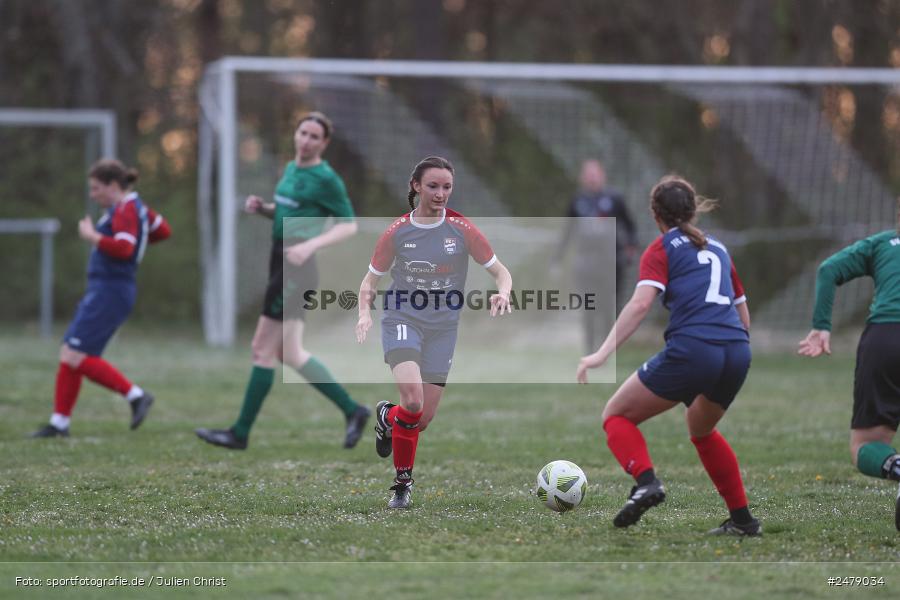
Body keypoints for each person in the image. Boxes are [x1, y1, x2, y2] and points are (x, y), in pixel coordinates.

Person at [576, 175, 760, 536]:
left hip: (695, 349)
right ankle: (743, 521)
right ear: (692, 211)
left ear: (655, 214)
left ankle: (646, 482)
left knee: (616, 415)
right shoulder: (719, 248)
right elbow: (744, 316)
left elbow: (641, 302)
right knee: (701, 429)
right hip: (737, 350)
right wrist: (725, 350)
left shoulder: (662, 248)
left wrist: (600, 353)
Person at [195, 111, 370, 450]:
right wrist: (264, 208)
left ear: (324, 143)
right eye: (302, 133)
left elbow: (349, 225)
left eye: (313, 136)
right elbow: (289, 211)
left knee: (262, 348)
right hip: (281, 261)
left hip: (297, 269)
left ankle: (240, 433)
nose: (305, 140)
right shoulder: (291, 168)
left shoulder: (326, 178)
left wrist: (310, 245)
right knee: (289, 353)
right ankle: (354, 411)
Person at [356, 156, 512, 509]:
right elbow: (370, 281)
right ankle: (402, 484)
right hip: (402, 319)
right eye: (433, 186)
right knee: (412, 401)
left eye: (446, 187)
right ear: (416, 186)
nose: (440, 194)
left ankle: (385, 416)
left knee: (420, 419)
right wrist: (364, 312)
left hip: (443, 329)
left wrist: (503, 291)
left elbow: (501, 271)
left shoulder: (462, 229)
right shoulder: (397, 231)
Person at [31, 159, 170, 437]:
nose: (93, 195)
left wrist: (93, 236)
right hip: (107, 289)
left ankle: (136, 395)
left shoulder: (126, 209)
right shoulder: (135, 208)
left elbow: (123, 248)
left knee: (77, 355)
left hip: (111, 290)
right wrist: (141, 234)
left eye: (96, 188)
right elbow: (162, 229)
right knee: (70, 353)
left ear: (113, 186)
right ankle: (59, 423)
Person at [798, 206, 900, 531]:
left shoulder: (883, 243)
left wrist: (821, 325)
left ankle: (896, 466)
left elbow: (829, 269)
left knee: (866, 445)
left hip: (886, 338)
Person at [556, 159, 638, 353]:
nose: (592, 178)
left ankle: (608, 348)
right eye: (588, 174)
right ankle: (589, 348)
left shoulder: (615, 198)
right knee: (588, 306)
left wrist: (630, 250)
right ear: (582, 178)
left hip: (611, 262)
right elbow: (567, 232)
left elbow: (630, 227)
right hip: (586, 264)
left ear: (602, 175)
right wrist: (558, 259)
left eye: (595, 174)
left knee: (610, 305)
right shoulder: (577, 201)